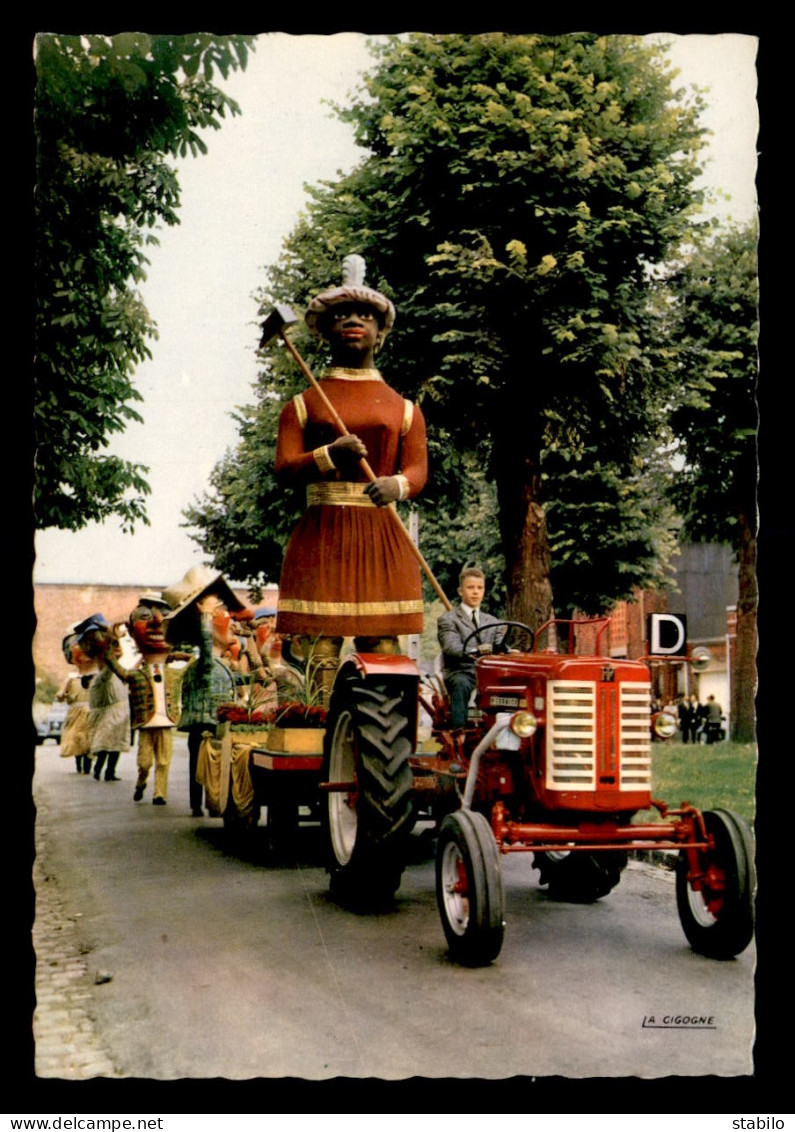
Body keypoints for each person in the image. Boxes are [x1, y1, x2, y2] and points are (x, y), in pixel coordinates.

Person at [272, 254, 428, 703]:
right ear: (324, 331)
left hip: (381, 534)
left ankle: (378, 734)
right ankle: (313, 731)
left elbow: (417, 470)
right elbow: (285, 467)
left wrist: (396, 485)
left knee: (381, 644)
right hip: (324, 535)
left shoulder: (404, 409)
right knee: (320, 647)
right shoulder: (303, 404)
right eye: (341, 315)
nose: (353, 322)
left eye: (365, 316)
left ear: (381, 332)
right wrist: (328, 455)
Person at [163, 566, 243, 817]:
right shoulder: (206, 662)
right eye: (221, 612)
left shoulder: (221, 665)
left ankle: (208, 801)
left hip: (216, 721)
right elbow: (206, 643)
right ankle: (197, 804)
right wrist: (206, 615)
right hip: (203, 723)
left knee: (209, 764)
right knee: (199, 764)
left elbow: (233, 682)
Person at [122, 593, 184, 806]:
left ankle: (160, 794)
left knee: (165, 761)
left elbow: (194, 662)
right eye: (146, 616)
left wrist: (175, 655)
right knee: (145, 761)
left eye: (164, 617)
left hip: (166, 722)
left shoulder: (174, 673)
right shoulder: (138, 674)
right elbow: (124, 673)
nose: (157, 620)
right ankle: (141, 781)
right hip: (147, 723)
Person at [437, 567, 506, 728]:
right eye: (470, 588)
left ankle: (510, 730)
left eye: (479, 588)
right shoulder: (448, 619)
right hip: (462, 671)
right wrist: (476, 650)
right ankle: (458, 731)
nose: (475, 592)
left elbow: (500, 645)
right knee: (460, 684)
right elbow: (451, 647)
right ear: (460, 591)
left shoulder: (492, 621)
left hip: (489, 673)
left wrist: (510, 651)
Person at [76, 614, 131, 783]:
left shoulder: (105, 677)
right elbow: (110, 663)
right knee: (108, 744)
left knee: (115, 745)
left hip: (118, 714)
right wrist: (113, 641)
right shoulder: (102, 678)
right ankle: (100, 768)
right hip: (112, 716)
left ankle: (108, 771)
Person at [57, 627, 96, 774]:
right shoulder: (71, 677)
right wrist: (62, 695)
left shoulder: (97, 677)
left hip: (91, 712)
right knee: (76, 738)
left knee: (90, 739)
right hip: (76, 713)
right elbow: (61, 693)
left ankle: (88, 764)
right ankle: (79, 763)